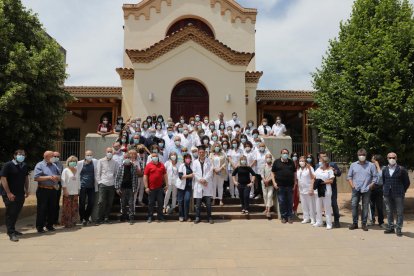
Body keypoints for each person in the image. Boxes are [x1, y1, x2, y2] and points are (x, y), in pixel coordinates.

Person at [0, 150, 29, 242]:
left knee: (16, 212)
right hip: (9, 194)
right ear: (15, 155)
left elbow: (26, 178)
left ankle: (12, 229)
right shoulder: (8, 165)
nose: (22, 156)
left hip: (20, 193)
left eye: (23, 155)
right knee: (11, 213)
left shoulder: (24, 165)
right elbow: (3, 179)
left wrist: (27, 189)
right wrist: (8, 193)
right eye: (20, 154)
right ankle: (11, 233)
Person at [347, 148, 377, 231]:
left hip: (366, 189)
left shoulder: (371, 165)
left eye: (363, 155)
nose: (361, 156)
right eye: (360, 155)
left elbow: (375, 177)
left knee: (365, 206)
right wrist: (352, 186)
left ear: (366, 155)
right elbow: (349, 177)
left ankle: (364, 223)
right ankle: (355, 223)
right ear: (357, 156)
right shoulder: (353, 165)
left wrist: (370, 186)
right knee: (354, 205)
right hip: (356, 189)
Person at [382, 152, 410, 237]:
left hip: (399, 194)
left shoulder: (402, 169)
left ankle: (398, 229)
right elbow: (384, 181)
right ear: (387, 158)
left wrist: (402, 190)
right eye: (390, 157)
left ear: (396, 158)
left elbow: (407, 182)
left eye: (393, 158)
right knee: (389, 211)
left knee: (399, 212)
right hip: (387, 193)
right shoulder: (384, 169)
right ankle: (390, 227)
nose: (391, 159)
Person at [34, 151, 61, 233]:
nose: (53, 157)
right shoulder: (40, 165)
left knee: (52, 208)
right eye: (52, 156)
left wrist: (57, 177)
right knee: (42, 209)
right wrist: (49, 177)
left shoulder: (54, 165)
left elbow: (59, 176)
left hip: (53, 190)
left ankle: (49, 225)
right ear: (46, 156)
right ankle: (40, 227)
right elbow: (36, 178)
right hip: (43, 190)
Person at [316, 151, 342, 228]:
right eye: (322, 157)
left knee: (333, 204)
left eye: (325, 156)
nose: (324, 158)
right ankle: (322, 221)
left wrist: (334, 170)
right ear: (319, 157)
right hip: (320, 188)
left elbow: (339, 173)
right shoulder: (317, 165)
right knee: (321, 205)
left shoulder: (332, 164)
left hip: (331, 187)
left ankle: (336, 221)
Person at [272, 149, 296, 224]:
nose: (285, 154)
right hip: (280, 186)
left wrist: (295, 183)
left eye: (286, 153)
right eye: (283, 153)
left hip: (290, 186)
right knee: (282, 202)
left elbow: (294, 173)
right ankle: (283, 217)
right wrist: (274, 183)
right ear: (281, 154)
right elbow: (273, 173)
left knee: (290, 202)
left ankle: (289, 217)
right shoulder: (276, 162)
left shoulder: (291, 162)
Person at [115, 152, 139, 225]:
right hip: (122, 188)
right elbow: (117, 177)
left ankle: (131, 218)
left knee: (131, 203)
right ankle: (124, 216)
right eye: (126, 158)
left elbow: (135, 178)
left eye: (128, 157)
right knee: (123, 203)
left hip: (130, 188)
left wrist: (135, 188)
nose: (127, 159)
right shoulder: (120, 167)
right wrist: (117, 188)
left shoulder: (133, 166)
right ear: (124, 158)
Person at [144, 153, 168, 223]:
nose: (155, 157)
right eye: (153, 156)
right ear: (151, 158)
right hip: (151, 188)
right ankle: (150, 217)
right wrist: (146, 187)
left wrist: (167, 185)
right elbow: (145, 176)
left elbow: (165, 175)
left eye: (156, 156)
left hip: (160, 188)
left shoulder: (162, 165)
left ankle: (160, 216)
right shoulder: (148, 165)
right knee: (151, 203)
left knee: (160, 203)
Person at [96, 147, 117, 225]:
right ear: (105, 152)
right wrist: (99, 182)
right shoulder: (101, 161)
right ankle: (99, 218)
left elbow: (116, 173)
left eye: (111, 152)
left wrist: (114, 183)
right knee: (101, 201)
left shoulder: (115, 162)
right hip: (103, 184)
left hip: (111, 185)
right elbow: (98, 173)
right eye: (108, 151)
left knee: (110, 202)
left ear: (113, 153)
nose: (109, 153)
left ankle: (106, 218)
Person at [193, 146, 214, 224]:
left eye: (202, 152)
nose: (201, 154)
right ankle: (197, 217)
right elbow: (194, 172)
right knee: (198, 203)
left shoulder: (209, 161)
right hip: (199, 183)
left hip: (207, 183)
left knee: (208, 203)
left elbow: (211, 171)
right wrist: (201, 180)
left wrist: (205, 179)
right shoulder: (195, 162)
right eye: (200, 152)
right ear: (198, 153)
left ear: (205, 153)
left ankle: (209, 217)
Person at [77, 150, 98, 226]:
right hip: (82, 186)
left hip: (92, 186)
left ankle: (86, 217)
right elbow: (77, 174)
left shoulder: (95, 162)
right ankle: (82, 218)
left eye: (90, 155)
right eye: (88, 155)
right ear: (85, 155)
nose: (89, 156)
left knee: (91, 203)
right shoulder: (80, 163)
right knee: (82, 203)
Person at [313, 157, 334, 229]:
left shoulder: (330, 170)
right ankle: (319, 222)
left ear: (325, 162)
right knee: (318, 206)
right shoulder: (318, 169)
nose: (319, 162)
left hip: (326, 190)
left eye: (321, 161)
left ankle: (329, 223)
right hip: (318, 190)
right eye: (319, 161)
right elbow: (314, 177)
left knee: (327, 207)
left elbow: (331, 181)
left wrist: (322, 182)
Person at [60, 156, 80, 228]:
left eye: (74, 161)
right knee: (67, 208)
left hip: (75, 192)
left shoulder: (77, 170)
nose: (73, 162)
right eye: (71, 161)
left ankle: (73, 221)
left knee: (74, 208)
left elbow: (78, 181)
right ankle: (67, 223)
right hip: (67, 192)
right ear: (68, 162)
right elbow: (63, 181)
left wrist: (78, 190)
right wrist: (65, 190)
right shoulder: (65, 170)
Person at [296, 156, 316, 224]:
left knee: (311, 205)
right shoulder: (298, 169)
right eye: (300, 161)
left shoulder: (309, 168)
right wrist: (298, 190)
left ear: (305, 162)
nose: (301, 162)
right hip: (301, 190)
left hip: (308, 189)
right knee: (304, 205)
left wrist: (311, 188)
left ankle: (313, 218)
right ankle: (306, 218)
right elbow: (298, 180)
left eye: (303, 161)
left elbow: (313, 178)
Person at [177, 154, 194, 222]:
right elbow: (181, 177)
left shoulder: (192, 166)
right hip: (181, 186)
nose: (188, 159)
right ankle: (181, 216)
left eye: (189, 158)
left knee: (187, 200)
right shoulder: (181, 166)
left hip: (188, 186)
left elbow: (195, 174)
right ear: (184, 159)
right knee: (180, 201)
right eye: (186, 158)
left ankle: (186, 216)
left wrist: (190, 176)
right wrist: (189, 175)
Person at [370, 154, 385, 227]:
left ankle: (381, 222)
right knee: (371, 205)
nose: (371, 160)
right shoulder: (370, 167)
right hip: (371, 188)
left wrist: (378, 166)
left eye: (373, 159)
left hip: (379, 188)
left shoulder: (384, 168)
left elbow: (381, 176)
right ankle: (372, 220)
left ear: (377, 161)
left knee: (379, 206)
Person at [260, 154, 274, 218]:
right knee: (265, 195)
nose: (268, 158)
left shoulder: (273, 166)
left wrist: (268, 180)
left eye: (269, 157)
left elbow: (273, 174)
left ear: (271, 158)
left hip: (271, 183)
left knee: (269, 195)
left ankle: (268, 211)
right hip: (264, 183)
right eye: (267, 157)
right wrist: (264, 180)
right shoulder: (263, 165)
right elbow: (262, 174)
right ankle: (266, 208)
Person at [52, 151, 63, 225]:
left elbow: (61, 174)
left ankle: (55, 220)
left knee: (56, 203)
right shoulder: (49, 164)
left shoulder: (60, 164)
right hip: (49, 184)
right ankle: (48, 220)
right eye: (55, 156)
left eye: (58, 157)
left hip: (58, 184)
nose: (56, 158)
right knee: (49, 203)